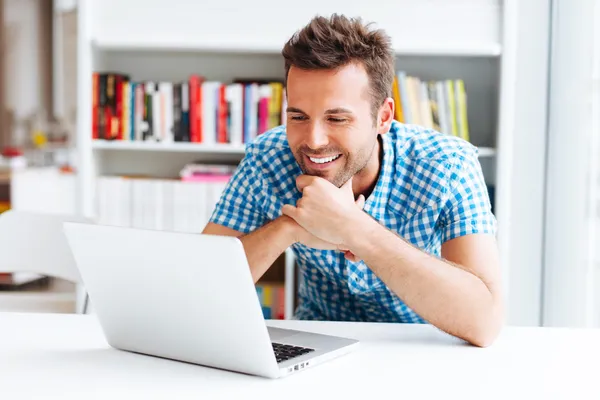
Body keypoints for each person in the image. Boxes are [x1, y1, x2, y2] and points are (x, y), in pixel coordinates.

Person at [203, 14, 503, 347]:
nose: (314, 140)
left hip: (425, 346)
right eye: (298, 116)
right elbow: (199, 290)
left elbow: (484, 322)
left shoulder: (448, 165)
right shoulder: (268, 158)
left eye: (337, 118)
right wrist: (290, 226)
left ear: (383, 117)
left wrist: (353, 228)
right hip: (315, 342)